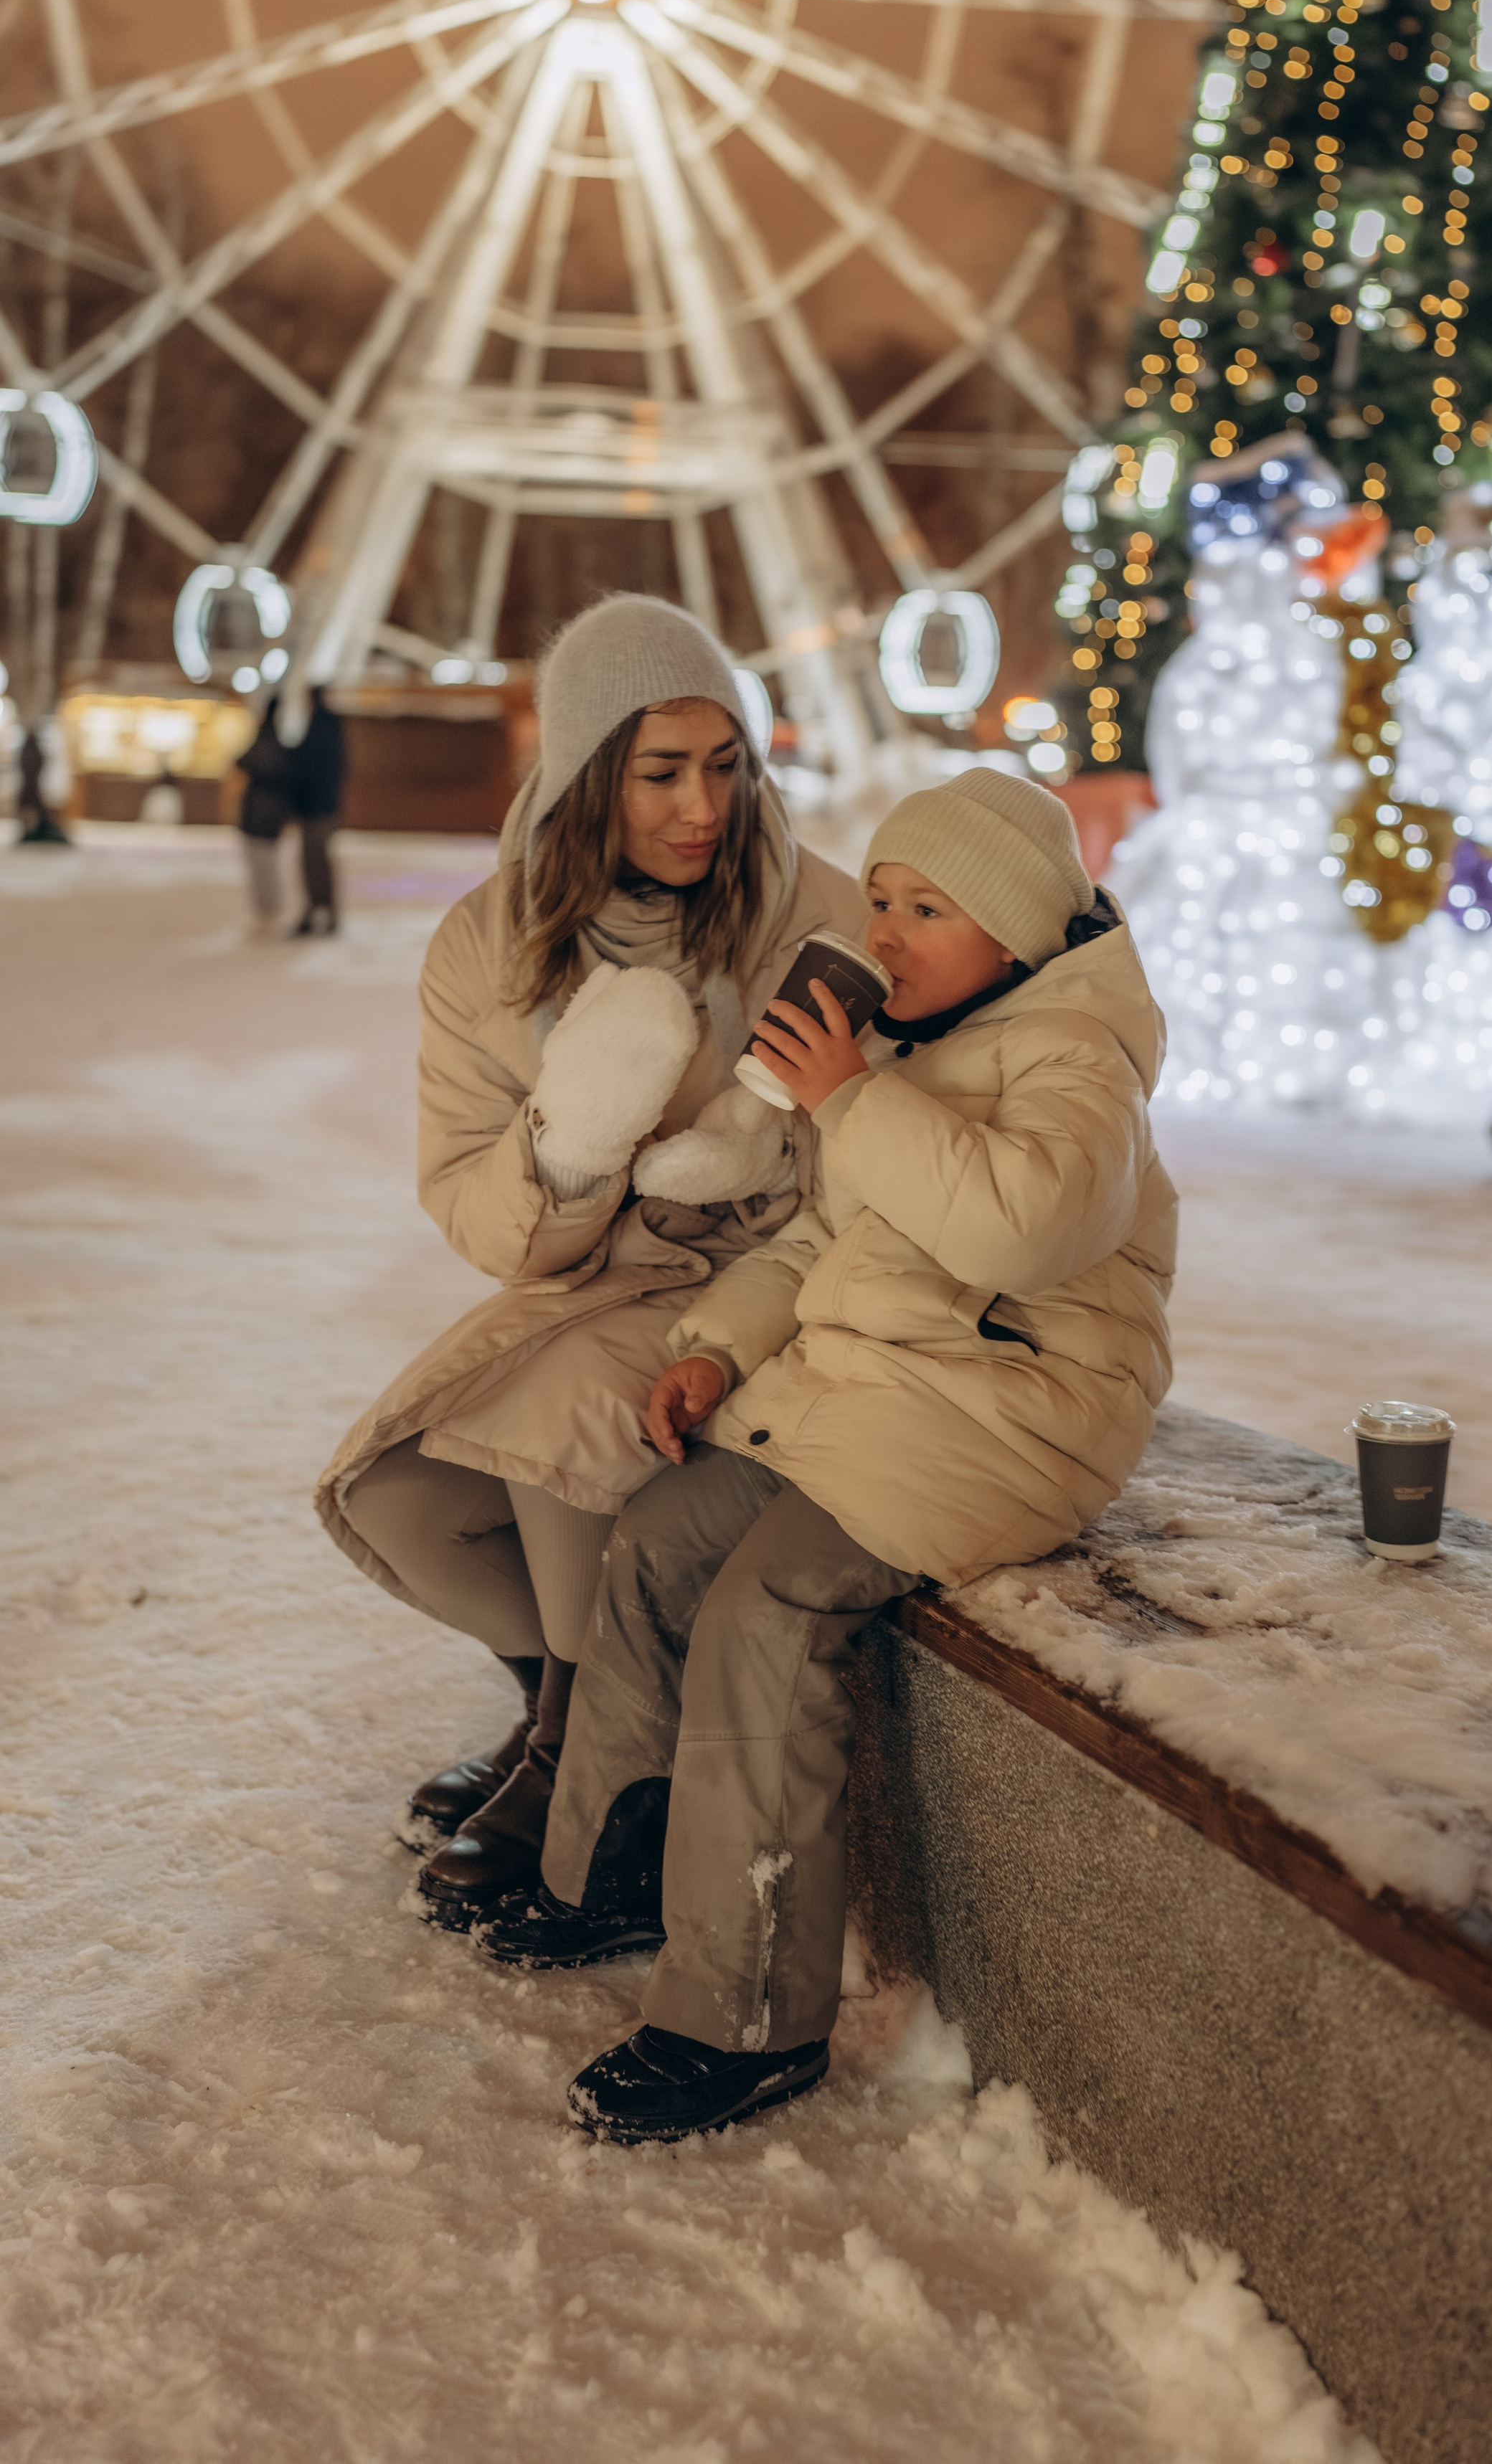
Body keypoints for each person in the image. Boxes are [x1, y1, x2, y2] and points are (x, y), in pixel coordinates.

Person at [474, 768, 1179, 2148]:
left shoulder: (1077, 1061)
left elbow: (1025, 1229)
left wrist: (850, 1099)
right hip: (881, 1393)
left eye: (929, 909)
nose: (887, 932)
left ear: (1018, 934)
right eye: (883, 901)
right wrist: (718, 1347)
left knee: (768, 1616)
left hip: (1010, 1412)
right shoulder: (907, 1049)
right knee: (658, 1541)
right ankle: (612, 1867)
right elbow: (820, 1242)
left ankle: (745, 2018)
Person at [315, 594, 861, 1924]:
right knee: (398, 1499)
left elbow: (865, 1175)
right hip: (585, 1282)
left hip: (770, 1287)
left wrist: (748, 1157)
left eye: (725, 766)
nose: (703, 809)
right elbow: (475, 1210)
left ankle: (587, 1762)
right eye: (660, 773)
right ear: (582, 774)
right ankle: (552, 1706)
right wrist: (571, 1146)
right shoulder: (489, 945)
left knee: (560, 1428)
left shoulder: (819, 915)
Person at [237, 686, 346, 938]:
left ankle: (321, 911)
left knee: (315, 861)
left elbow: (310, 769)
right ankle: (317, 910)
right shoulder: (323, 728)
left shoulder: (322, 729)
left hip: (316, 808)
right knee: (311, 862)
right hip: (316, 807)